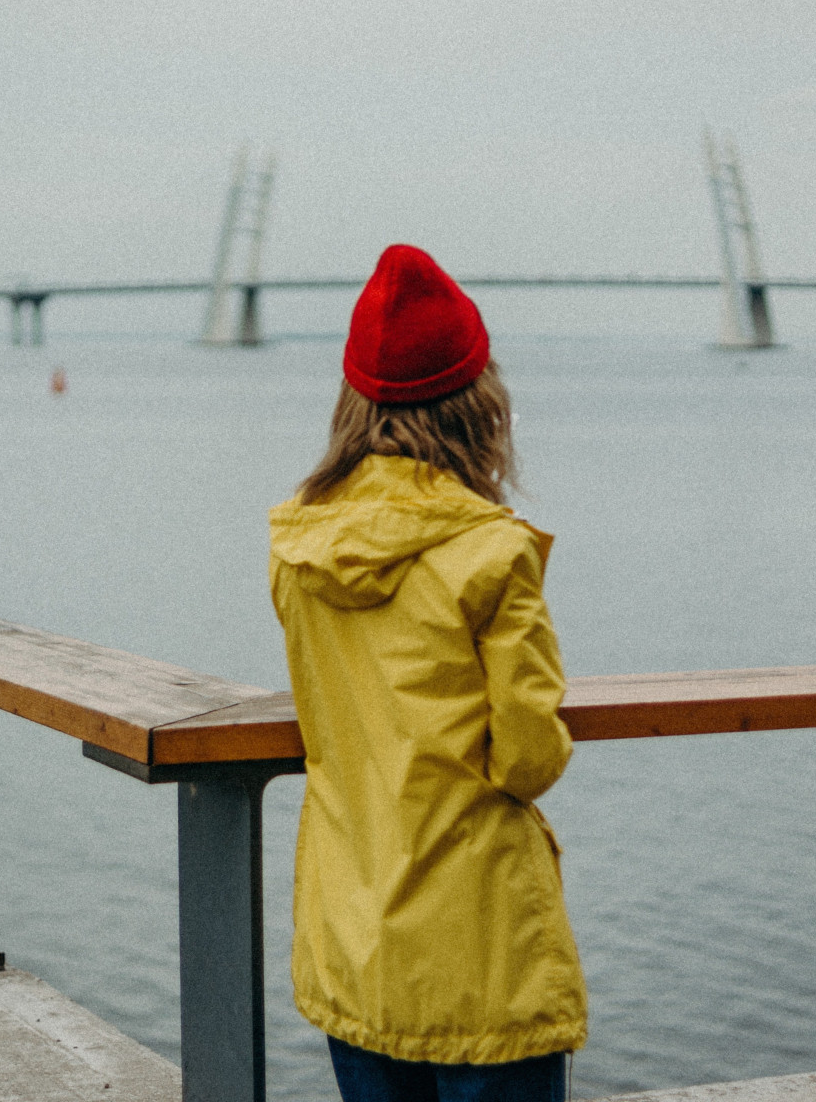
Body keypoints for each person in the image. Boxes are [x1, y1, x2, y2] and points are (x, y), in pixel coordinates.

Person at [269, 244, 586, 1102]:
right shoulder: (491, 552)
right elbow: (529, 758)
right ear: (480, 405)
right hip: (478, 949)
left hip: (355, 938)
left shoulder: (298, 547)